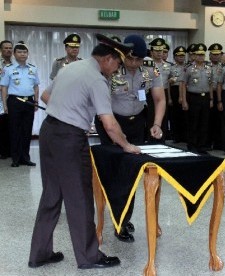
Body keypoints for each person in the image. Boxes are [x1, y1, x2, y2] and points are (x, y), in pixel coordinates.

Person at [28, 34, 140, 269]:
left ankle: (40, 254)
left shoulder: (72, 67)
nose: (117, 70)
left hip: (49, 132)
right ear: (108, 59)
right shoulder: (96, 79)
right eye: (117, 64)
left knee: (51, 195)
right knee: (79, 198)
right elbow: (109, 124)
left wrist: (69, 111)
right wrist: (127, 145)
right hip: (69, 140)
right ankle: (89, 257)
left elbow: (47, 96)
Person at [94, 34, 165, 242]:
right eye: (131, 59)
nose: (135, 64)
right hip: (112, 124)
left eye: (139, 60)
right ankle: (119, 218)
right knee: (115, 172)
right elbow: (102, 103)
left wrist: (157, 123)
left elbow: (159, 99)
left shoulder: (151, 69)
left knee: (132, 172)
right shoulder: (111, 68)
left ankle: (123, 217)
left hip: (137, 124)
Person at [0, 42, 39, 167]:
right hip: (14, 102)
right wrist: (5, 104)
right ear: (15, 54)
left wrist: (36, 101)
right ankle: (15, 159)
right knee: (14, 130)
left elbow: (36, 86)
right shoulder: (8, 68)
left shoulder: (33, 68)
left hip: (29, 101)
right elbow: (4, 87)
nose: (23, 54)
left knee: (27, 130)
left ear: (27, 54)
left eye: (25, 52)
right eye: (20, 52)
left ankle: (25, 158)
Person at [180, 43, 213, 154]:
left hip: (206, 97)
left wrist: (211, 99)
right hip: (193, 98)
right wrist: (184, 101)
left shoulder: (209, 68)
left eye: (202, 55)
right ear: (194, 55)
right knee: (193, 123)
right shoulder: (188, 69)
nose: (200, 57)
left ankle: (202, 146)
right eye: (198, 55)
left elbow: (211, 85)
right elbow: (183, 84)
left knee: (204, 123)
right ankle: (192, 145)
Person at [149, 38, 172, 142]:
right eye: (157, 51)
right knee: (150, 117)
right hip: (149, 93)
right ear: (152, 52)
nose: (159, 53)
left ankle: (162, 140)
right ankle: (150, 139)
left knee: (163, 117)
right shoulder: (146, 65)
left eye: (161, 51)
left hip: (164, 93)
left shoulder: (168, 65)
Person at [168, 46, 188, 143]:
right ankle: (176, 136)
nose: (181, 58)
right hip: (174, 91)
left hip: (185, 91)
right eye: (179, 56)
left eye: (183, 56)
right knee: (174, 115)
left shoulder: (188, 67)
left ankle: (185, 136)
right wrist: (169, 98)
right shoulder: (171, 68)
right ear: (175, 57)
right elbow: (168, 83)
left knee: (185, 115)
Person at [0, 40, 13, 159]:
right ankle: (3, 151)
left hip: (13, 99)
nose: (8, 50)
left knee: (11, 126)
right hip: (0, 99)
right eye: (6, 48)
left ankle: (10, 151)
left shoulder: (16, 64)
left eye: (10, 48)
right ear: (1, 50)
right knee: (2, 126)